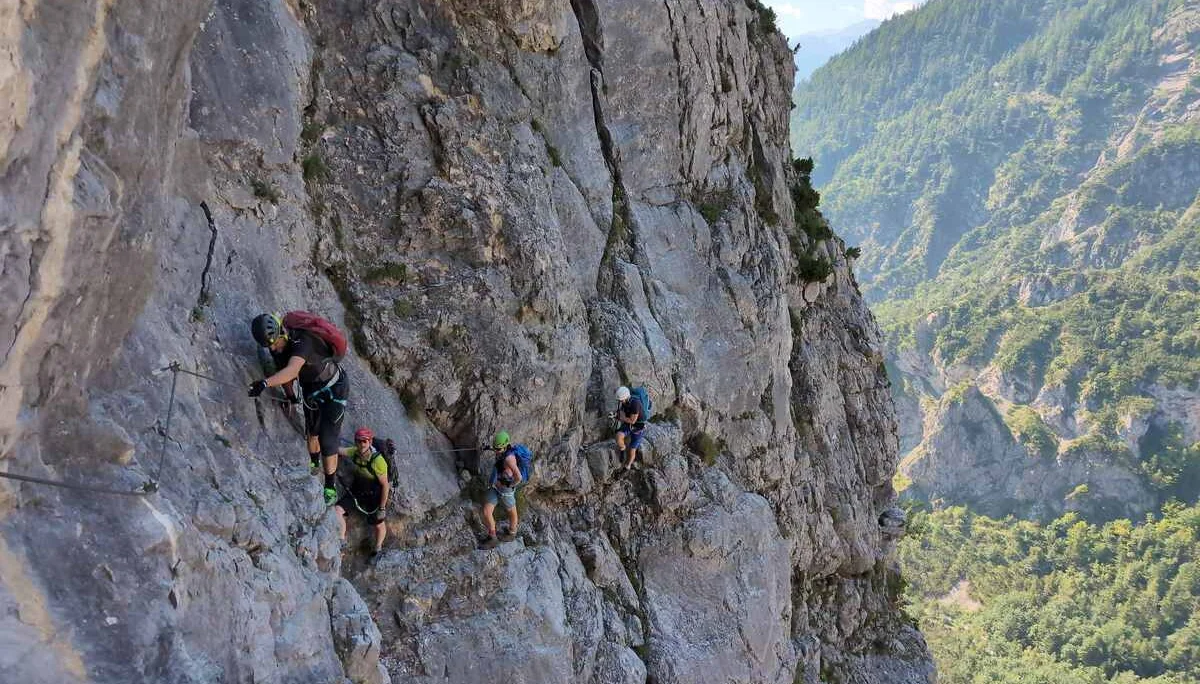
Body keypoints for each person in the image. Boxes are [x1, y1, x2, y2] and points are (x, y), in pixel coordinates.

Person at [249, 313, 348, 505]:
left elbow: (292, 370)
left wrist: (264, 383)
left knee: (328, 440)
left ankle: (329, 486)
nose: (271, 347)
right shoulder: (277, 349)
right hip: (312, 391)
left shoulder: (303, 340)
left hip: (335, 389)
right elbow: (286, 376)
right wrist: (291, 397)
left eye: (273, 342)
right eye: (268, 345)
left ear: (281, 333)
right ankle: (314, 462)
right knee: (312, 433)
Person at [335, 427, 390, 558]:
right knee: (337, 510)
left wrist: (382, 508)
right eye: (358, 441)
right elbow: (339, 450)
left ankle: (378, 548)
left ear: (370, 442)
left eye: (364, 441)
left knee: (378, 523)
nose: (361, 444)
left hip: (374, 493)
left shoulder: (379, 461)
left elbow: (385, 486)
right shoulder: (355, 452)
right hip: (358, 489)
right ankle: (341, 542)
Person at [478, 431, 526, 550]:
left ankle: (512, 533)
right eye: (496, 448)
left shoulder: (509, 459)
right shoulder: (502, 449)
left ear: (505, 446)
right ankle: (492, 537)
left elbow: (519, 477)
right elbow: (497, 449)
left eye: (498, 449)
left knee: (512, 513)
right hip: (495, 487)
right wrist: (487, 447)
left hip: (506, 491)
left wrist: (510, 484)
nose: (496, 451)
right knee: (486, 511)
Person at [613, 386, 645, 472]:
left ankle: (627, 466)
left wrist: (622, 418)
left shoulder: (635, 403)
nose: (620, 402)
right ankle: (623, 449)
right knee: (618, 436)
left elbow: (632, 421)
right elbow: (622, 412)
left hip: (638, 427)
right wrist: (617, 416)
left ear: (625, 397)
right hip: (628, 424)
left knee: (632, 449)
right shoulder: (624, 402)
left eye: (621, 400)